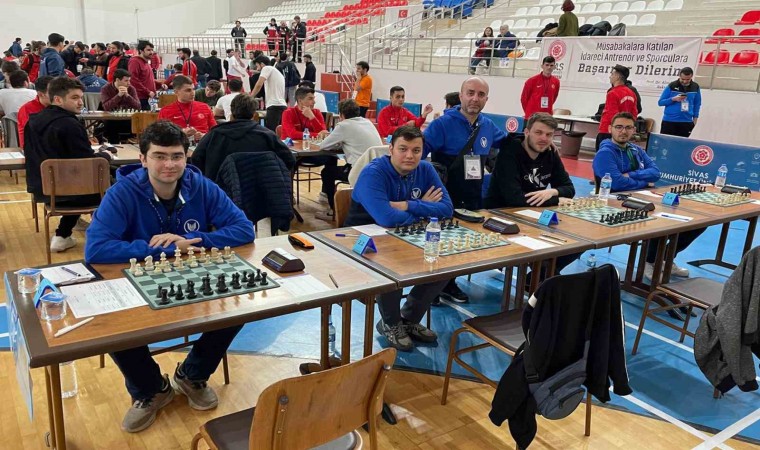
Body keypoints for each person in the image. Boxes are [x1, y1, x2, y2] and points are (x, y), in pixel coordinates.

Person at [84, 121, 254, 433]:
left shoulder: (201, 186)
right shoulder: (122, 193)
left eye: (176, 156)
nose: (169, 164)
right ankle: (150, 389)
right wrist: (160, 248)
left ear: (186, 157)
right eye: (159, 156)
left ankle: (192, 375)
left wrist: (192, 240)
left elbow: (244, 229)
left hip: (192, 275)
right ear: (143, 159)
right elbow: (95, 249)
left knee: (236, 305)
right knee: (110, 322)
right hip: (136, 280)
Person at [345, 126, 452, 351]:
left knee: (445, 261)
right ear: (391, 149)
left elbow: (446, 209)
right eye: (403, 149)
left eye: (416, 150)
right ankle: (390, 323)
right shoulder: (373, 172)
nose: (409, 156)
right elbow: (385, 217)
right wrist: (424, 208)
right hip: (361, 239)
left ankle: (408, 319)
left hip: (405, 234)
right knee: (391, 263)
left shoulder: (426, 169)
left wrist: (408, 204)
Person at [423, 76, 506, 304]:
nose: (474, 99)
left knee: (461, 243)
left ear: (486, 99)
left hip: (472, 195)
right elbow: (418, 155)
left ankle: (448, 284)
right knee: (439, 241)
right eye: (470, 93)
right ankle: (431, 287)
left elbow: (510, 143)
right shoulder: (441, 125)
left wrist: (539, 142)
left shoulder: (488, 126)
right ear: (461, 96)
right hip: (445, 195)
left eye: (480, 95)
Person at [592, 112, 703, 278]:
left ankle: (665, 259)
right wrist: (643, 181)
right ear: (610, 129)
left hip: (644, 196)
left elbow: (655, 173)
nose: (623, 131)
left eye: (628, 127)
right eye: (619, 127)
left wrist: (632, 175)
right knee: (658, 219)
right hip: (617, 201)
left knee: (697, 222)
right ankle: (649, 262)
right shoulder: (605, 153)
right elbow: (617, 183)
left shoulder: (636, 149)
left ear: (634, 130)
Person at [24, 77, 113, 252]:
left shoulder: (32, 121)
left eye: (81, 97)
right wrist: (106, 155)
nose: (81, 102)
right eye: (74, 98)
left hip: (43, 189)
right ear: (58, 99)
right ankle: (105, 234)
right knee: (117, 184)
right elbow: (89, 163)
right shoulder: (70, 124)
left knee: (77, 181)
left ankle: (62, 235)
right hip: (74, 193)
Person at [485, 112, 579, 277]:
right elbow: (515, 199)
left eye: (549, 135)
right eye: (538, 132)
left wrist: (552, 191)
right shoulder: (509, 153)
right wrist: (556, 199)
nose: (543, 138)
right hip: (502, 214)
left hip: (532, 214)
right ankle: (542, 280)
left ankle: (539, 279)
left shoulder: (550, 152)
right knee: (542, 250)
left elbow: (569, 188)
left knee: (578, 243)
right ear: (527, 132)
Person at [193, 94, 295, 180]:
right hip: (259, 190)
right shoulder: (267, 135)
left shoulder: (213, 135)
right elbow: (289, 160)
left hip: (221, 191)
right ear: (254, 114)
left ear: (231, 112)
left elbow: (196, 160)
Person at [314, 99, 384, 222]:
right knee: (332, 167)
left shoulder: (344, 125)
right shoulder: (367, 122)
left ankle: (333, 211)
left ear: (341, 115)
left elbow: (323, 145)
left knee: (327, 173)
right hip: (378, 169)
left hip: (358, 170)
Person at [158, 75, 216, 142]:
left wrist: (204, 136)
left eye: (193, 89)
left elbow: (215, 131)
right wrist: (181, 134)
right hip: (177, 144)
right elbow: (161, 136)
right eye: (188, 90)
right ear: (176, 92)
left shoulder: (205, 107)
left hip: (203, 144)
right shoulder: (165, 111)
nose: (193, 93)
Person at [596, 64, 638, 151]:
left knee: (603, 155)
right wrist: (627, 129)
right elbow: (634, 113)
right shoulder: (631, 93)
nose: (610, 77)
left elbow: (612, 114)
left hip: (608, 131)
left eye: (612, 74)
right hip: (623, 132)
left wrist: (615, 129)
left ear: (617, 76)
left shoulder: (613, 93)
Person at [658, 67, 701, 138]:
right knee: (666, 143)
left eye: (688, 79)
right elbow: (660, 102)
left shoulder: (695, 87)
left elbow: (697, 104)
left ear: (691, 77)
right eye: (683, 79)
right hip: (670, 121)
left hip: (686, 122)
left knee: (681, 143)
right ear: (679, 76)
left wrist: (695, 120)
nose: (685, 81)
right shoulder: (672, 86)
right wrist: (673, 99)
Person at [250, 55, 288, 131]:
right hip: (282, 106)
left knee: (271, 132)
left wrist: (250, 97)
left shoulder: (266, 68)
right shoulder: (276, 71)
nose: (257, 69)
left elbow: (259, 84)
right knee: (279, 132)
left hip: (274, 106)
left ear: (262, 64)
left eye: (257, 66)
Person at [520, 56, 560, 120]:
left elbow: (554, 97)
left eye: (551, 65)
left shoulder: (556, 82)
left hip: (547, 116)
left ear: (554, 67)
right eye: (547, 65)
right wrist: (528, 112)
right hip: (532, 116)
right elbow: (524, 99)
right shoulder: (532, 81)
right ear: (542, 66)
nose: (549, 67)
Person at [17, 75, 53, 148]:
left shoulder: (61, 105)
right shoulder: (27, 109)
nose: (58, 95)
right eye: (52, 93)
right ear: (40, 94)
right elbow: (27, 138)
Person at [128, 40, 163, 110]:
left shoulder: (146, 62)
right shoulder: (135, 62)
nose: (151, 52)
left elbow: (147, 79)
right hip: (140, 98)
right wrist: (147, 91)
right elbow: (133, 80)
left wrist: (160, 85)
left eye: (152, 50)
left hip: (147, 97)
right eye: (148, 50)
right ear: (141, 51)